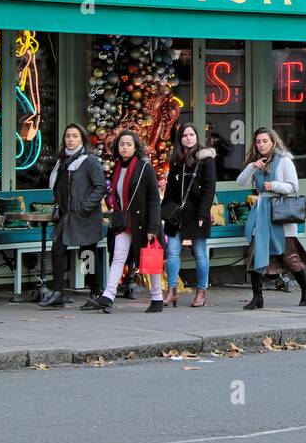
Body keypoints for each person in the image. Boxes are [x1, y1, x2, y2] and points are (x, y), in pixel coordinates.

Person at [83, 130, 164, 313]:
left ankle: (157, 297)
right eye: (122, 144)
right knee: (118, 258)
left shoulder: (146, 169)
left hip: (143, 222)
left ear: (135, 147)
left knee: (149, 259)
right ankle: (108, 296)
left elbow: (153, 199)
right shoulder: (118, 168)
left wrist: (153, 227)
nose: (125, 147)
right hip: (124, 222)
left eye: (128, 144)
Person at [238, 127, 306, 310]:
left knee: (288, 256)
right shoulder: (255, 163)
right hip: (262, 211)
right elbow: (240, 182)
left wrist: (274, 185)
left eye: (265, 141)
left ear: (273, 141)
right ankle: (257, 297)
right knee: (256, 254)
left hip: (280, 213)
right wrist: (252, 167)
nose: (261, 144)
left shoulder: (284, 160)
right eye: (258, 142)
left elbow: (293, 186)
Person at [40, 123, 107, 309]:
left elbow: (100, 186)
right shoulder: (62, 162)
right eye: (68, 136)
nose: (70, 139)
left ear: (82, 139)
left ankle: (95, 293)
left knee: (88, 255)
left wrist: (85, 206)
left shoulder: (89, 161)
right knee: (57, 249)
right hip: (65, 216)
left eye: (75, 136)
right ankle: (58, 292)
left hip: (85, 216)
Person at [162, 122, 216, 308]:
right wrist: (164, 210)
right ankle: (172, 290)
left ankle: (201, 291)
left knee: (200, 253)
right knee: (172, 251)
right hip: (176, 214)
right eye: (185, 135)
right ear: (180, 139)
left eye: (191, 134)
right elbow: (170, 187)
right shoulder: (176, 159)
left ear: (197, 137)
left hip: (197, 212)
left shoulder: (205, 159)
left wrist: (203, 214)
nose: (188, 138)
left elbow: (209, 189)